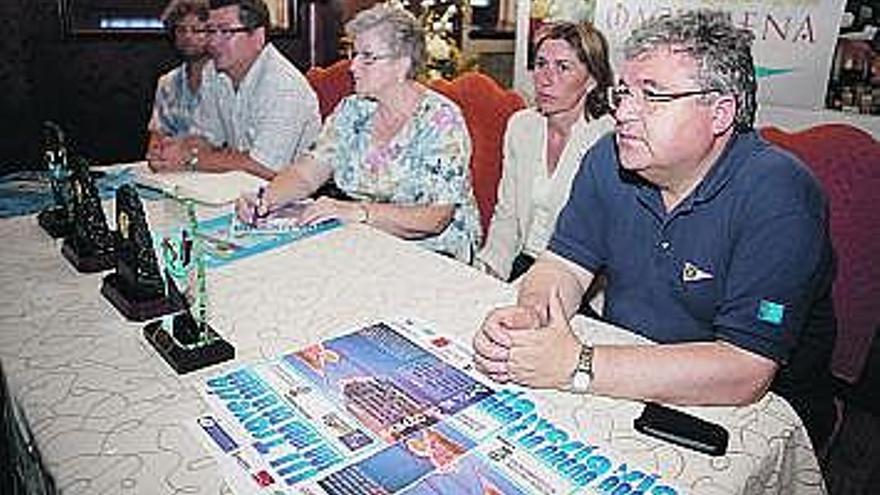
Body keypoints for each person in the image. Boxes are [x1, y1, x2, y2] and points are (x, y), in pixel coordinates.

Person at [472, 10, 837, 450]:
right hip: (625, 367)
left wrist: (578, 364)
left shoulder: (780, 194)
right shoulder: (608, 159)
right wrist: (533, 319)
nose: (624, 112)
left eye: (653, 96)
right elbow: (562, 266)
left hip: (755, 413)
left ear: (720, 113)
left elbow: (745, 371)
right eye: (624, 93)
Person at [236, 3, 481, 263]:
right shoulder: (353, 110)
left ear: (402, 64)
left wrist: (359, 212)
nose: (352, 66)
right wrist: (266, 200)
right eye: (354, 54)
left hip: (434, 255)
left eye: (367, 57)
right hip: (367, 242)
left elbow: (435, 218)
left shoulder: (441, 120)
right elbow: (306, 173)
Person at [477, 21, 614, 282]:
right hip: (520, 263)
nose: (546, 78)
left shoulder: (609, 139)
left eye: (563, 67)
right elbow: (506, 215)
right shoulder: (522, 126)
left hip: (575, 278)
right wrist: (489, 272)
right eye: (541, 64)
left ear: (592, 80)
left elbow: (603, 246)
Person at [147, 0, 321, 180]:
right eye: (210, 31)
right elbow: (204, 137)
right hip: (239, 189)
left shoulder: (284, 85)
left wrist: (191, 159)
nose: (213, 42)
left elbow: (266, 167)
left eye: (226, 31)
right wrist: (170, 151)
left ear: (258, 36)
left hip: (295, 197)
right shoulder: (213, 72)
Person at [146, 0, 215, 151]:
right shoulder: (167, 82)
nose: (188, 36)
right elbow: (156, 140)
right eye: (181, 30)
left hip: (216, 168)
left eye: (197, 30)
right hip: (173, 168)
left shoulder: (226, 79)